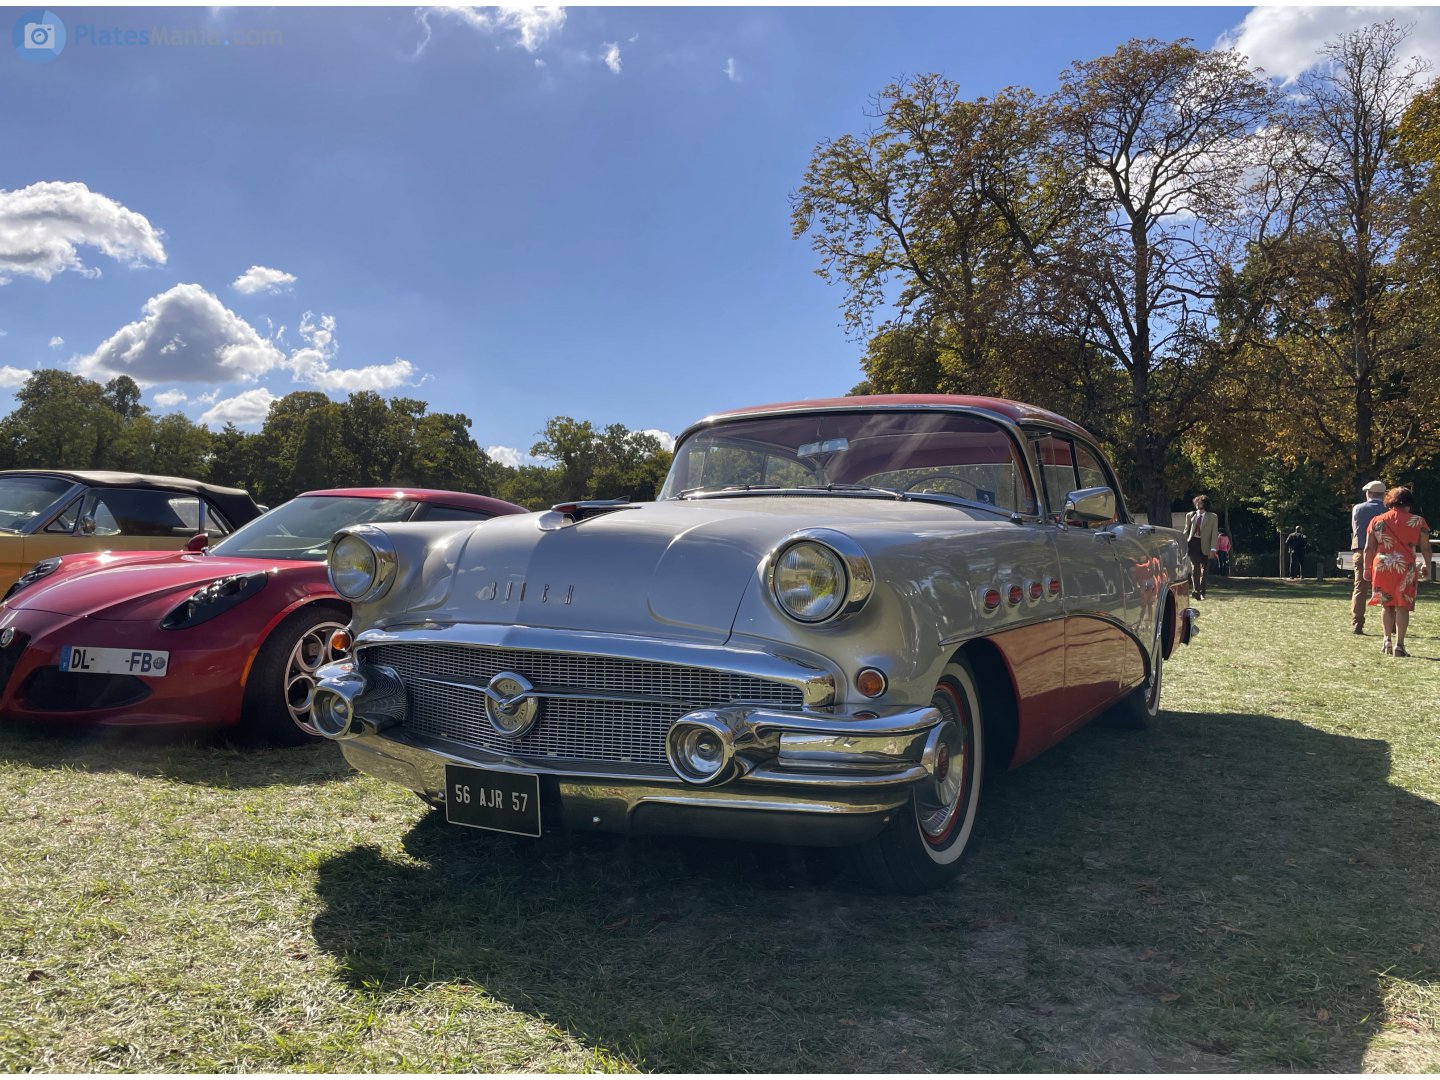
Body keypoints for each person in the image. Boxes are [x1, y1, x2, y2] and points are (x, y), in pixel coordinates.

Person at [1362, 486, 1433, 657]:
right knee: (1403, 605)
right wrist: (1427, 566)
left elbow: (1369, 548)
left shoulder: (1377, 520)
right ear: (1409, 502)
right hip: (1405, 566)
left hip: (1382, 565)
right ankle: (1399, 645)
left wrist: (1366, 568)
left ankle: (1386, 640)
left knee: (1386, 604)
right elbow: (1426, 547)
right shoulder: (1418, 521)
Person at [1349, 480, 1388, 633]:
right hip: (1384, 552)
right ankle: (1391, 624)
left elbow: (1355, 529)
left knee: (1360, 588)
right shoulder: (1388, 510)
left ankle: (1357, 622)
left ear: (1369, 493)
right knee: (1388, 588)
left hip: (1360, 550)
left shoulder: (1358, 508)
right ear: (1383, 495)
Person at [1183, 494, 1219, 600]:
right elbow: (1186, 530)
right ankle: (1196, 591)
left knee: (1205, 569)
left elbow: (1214, 533)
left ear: (1205, 504)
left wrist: (1213, 549)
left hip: (1206, 545)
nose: (1198, 504)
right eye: (1196, 502)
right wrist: (1182, 542)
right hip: (1193, 543)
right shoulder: (1190, 515)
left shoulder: (1213, 517)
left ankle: (1203, 591)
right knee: (1195, 567)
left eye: (1200, 502)